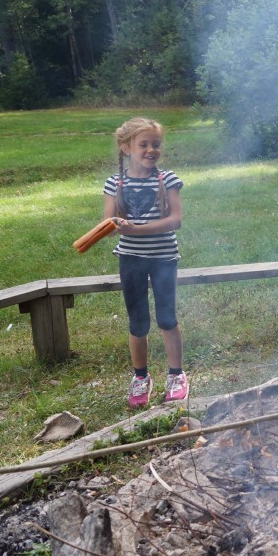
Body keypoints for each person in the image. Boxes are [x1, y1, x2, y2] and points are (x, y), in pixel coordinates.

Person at [103, 117, 188, 409]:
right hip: (130, 258)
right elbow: (108, 221)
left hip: (164, 258)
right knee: (138, 321)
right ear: (126, 147)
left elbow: (175, 220)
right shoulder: (115, 182)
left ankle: (176, 375)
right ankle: (141, 377)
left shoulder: (168, 179)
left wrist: (136, 228)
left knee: (167, 317)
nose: (151, 149)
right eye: (144, 144)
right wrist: (116, 224)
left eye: (156, 144)